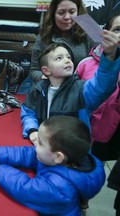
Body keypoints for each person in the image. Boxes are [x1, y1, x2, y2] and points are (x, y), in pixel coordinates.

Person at [0, 115, 106, 216]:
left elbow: (26, 189)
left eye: (40, 143)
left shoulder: (59, 187)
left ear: (58, 157)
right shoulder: (64, 157)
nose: (35, 144)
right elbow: (29, 154)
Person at [21, 28, 120, 146]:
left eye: (68, 57)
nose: (67, 61)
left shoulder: (82, 90)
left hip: (72, 155)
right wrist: (32, 129)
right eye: (59, 58)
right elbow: (28, 112)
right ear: (46, 70)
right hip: (45, 149)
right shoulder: (37, 90)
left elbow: (103, 86)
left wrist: (109, 57)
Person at [76, 13, 120, 216]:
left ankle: (83, 201)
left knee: (92, 172)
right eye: (118, 30)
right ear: (106, 32)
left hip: (106, 136)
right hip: (81, 130)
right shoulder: (87, 62)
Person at [29, 0, 97, 83]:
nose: (67, 17)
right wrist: (49, 79)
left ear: (78, 12)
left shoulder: (89, 25)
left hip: (85, 87)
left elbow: (106, 60)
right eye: (61, 13)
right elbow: (34, 71)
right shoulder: (45, 34)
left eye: (72, 12)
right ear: (53, 14)